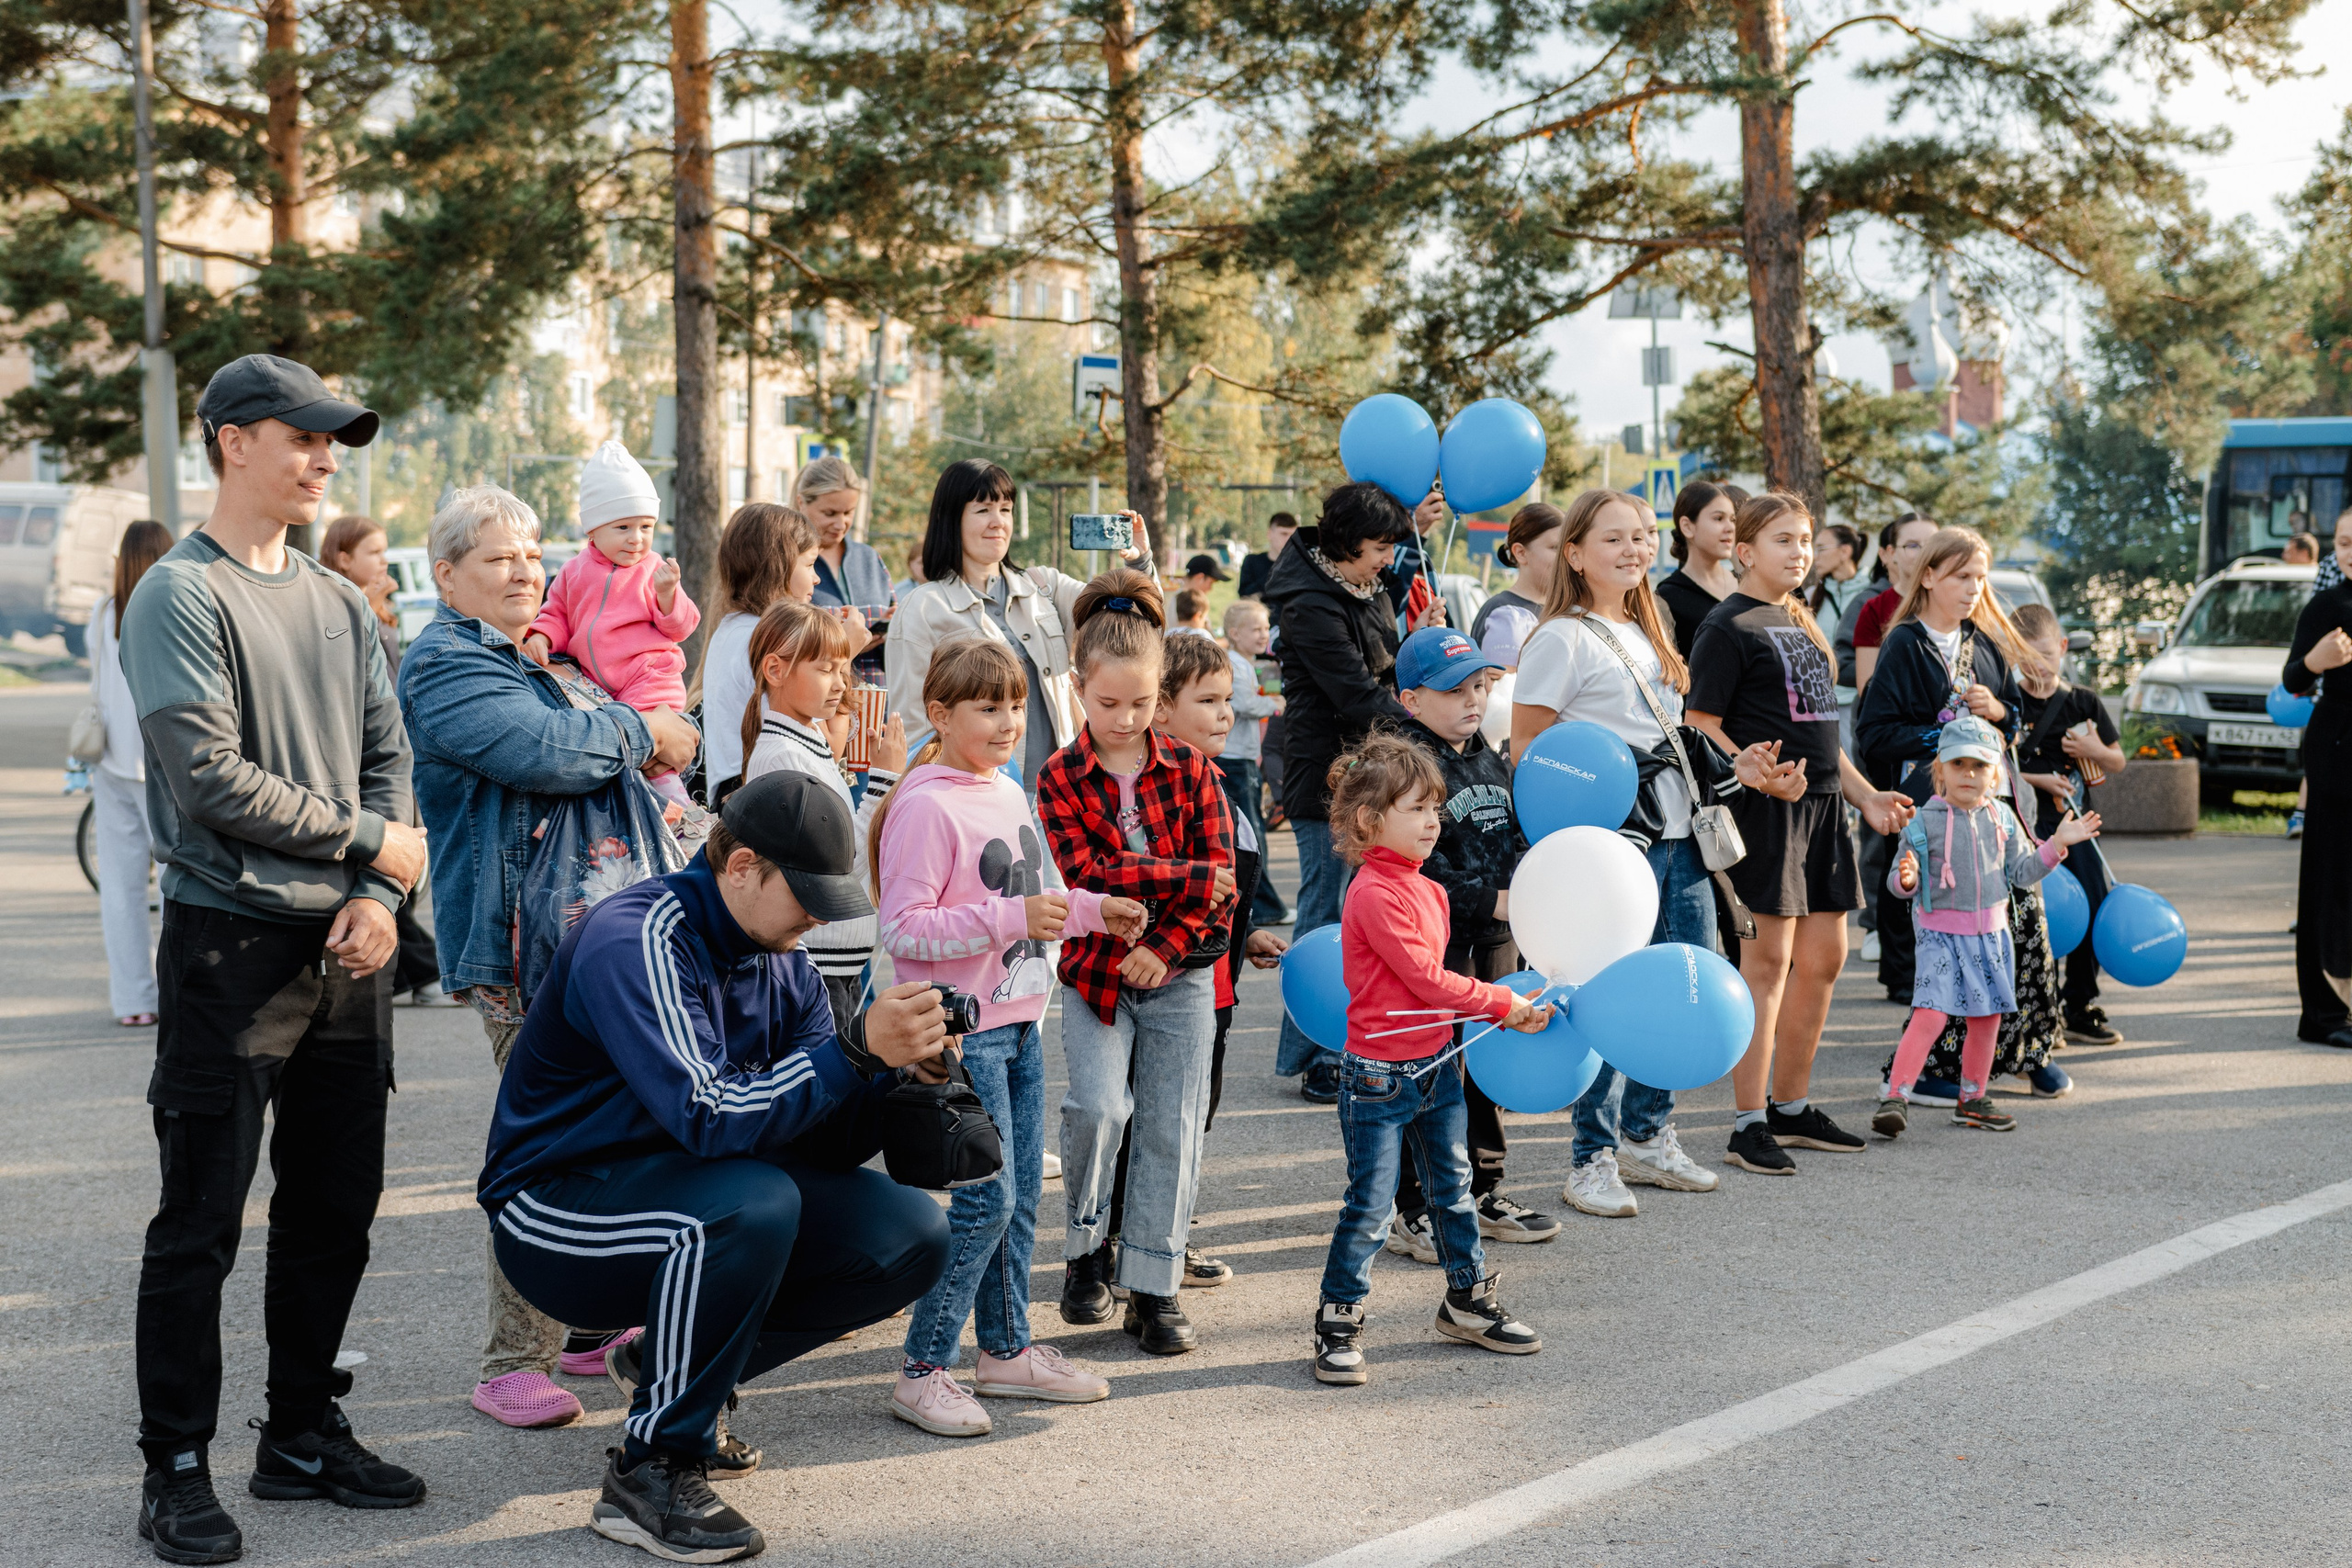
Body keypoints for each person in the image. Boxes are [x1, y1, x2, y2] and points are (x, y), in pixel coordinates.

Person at [482, 773, 958, 1563]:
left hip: (693, 1195)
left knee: (910, 1233)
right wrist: (850, 1051)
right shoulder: (636, 934)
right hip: (556, 1212)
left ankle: (664, 1364)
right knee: (753, 1200)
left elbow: (821, 1143)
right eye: (802, 893)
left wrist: (896, 1079)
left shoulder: (784, 961)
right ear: (740, 865)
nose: (815, 916)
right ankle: (651, 1472)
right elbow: (710, 1116)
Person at [120, 354, 428, 1563]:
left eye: (333, 442)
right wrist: (370, 842)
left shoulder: (339, 602)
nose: (323, 457)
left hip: (349, 945)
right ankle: (176, 1465)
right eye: (302, 436)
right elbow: (208, 781)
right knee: (200, 1215)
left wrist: (378, 890)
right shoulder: (176, 596)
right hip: (228, 946)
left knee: (334, 1205)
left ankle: (299, 1432)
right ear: (230, 441)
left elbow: (388, 760)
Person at [399, 483, 703, 1432]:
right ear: (446, 574)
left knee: (620, 1135)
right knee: (546, 1149)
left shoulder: (544, 660)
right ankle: (510, 1362)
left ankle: (588, 1326)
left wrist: (637, 733)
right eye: (497, 557)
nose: (524, 569)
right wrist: (644, 731)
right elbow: (551, 753)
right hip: (524, 957)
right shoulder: (447, 665)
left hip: (597, 948)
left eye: (533, 553)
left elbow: (622, 745)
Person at [872, 637, 1139, 1436]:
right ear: (941, 714)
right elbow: (904, 926)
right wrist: (1009, 917)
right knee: (983, 1204)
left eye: (1015, 705)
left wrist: (1098, 910)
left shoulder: (1007, 790)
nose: (1005, 720)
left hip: (1021, 1023)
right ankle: (923, 1369)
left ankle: (1006, 1349)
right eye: (987, 707)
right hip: (962, 1036)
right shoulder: (924, 803)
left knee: (1021, 1202)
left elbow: (1045, 893)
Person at [1511, 490, 1753, 1211]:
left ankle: (1651, 1135)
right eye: (1613, 538)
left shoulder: (1652, 627)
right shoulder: (1561, 637)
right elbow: (1529, 752)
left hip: (1680, 835)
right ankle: (1593, 1156)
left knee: (1679, 984)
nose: (1634, 548)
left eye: (1643, 536)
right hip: (1615, 848)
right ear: (1576, 553)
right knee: (1612, 999)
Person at [1308, 734, 1551, 1387]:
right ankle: (1339, 1318)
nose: (1431, 821)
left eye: (1435, 807)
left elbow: (1439, 990)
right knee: (1370, 1205)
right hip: (1378, 1077)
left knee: (1454, 1188)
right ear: (1368, 821)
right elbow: (1425, 979)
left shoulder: (1429, 890)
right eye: (1416, 808)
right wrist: (1502, 1002)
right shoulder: (1373, 893)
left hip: (1437, 1064)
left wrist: (1503, 1006)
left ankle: (1466, 1300)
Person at [1685, 492, 1912, 1177]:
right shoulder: (1728, 626)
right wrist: (1746, 770)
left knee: (1825, 959)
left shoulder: (1804, 619)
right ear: (1745, 551)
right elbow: (1700, 721)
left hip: (1823, 811)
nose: (1800, 551)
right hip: (1768, 811)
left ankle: (1792, 1105)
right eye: (1783, 540)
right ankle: (1747, 1121)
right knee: (1768, 965)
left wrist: (1867, 796)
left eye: (1806, 539)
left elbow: (1824, 733)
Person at [1037, 571, 1235, 1354]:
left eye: (1143, 704)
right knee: (1099, 1107)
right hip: (1093, 975)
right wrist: (1187, 875)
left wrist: (1164, 944)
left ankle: (1154, 1286)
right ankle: (1087, 1247)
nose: (1125, 720)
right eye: (1107, 703)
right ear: (1078, 688)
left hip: (1176, 974)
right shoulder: (1059, 774)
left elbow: (1226, 883)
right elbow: (1088, 871)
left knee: (1172, 1126)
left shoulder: (1191, 771)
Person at [1380, 626, 1562, 1251]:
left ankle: (1483, 1189)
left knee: (1488, 1065)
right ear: (1411, 699)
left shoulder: (1487, 756)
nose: (1473, 699)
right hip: (1438, 945)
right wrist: (1493, 898)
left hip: (1497, 938)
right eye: (1454, 689)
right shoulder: (1402, 768)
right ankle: (1415, 1203)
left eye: (1481, 685)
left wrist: (1526, 891)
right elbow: (1412, 864)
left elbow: (1511, 835)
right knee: (1433, 1072)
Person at [1261, 481, 1442, 1100]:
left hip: (1372, 769)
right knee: (1326, 909)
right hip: (1324, 775)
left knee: (1362, 911)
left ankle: (1354, 1041)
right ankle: (1313, 1052)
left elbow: (1384, 668)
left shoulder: (1363, 585)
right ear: (1344, 543)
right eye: (1378, 547)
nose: (1387, 559)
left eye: (1393, 545)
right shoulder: (1307, 603)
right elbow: (1355, 692)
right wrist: (1425, 724)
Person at [1874, 716, 2101, 1136]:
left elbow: (2020, 873)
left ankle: (1972, 1099)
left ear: (1995, 774)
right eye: (1958, 764)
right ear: (1939, 770)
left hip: (1991, 935)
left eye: (1979, 766)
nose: (1969, 774)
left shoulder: (2003, 818)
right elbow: (1899, 880)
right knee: (1930, 1015)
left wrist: (2057, 845)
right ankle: (1896, 1096)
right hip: (1939, 934)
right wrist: (1906, 878)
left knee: (1987, 1018)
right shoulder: (1924, 821)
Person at [885, 458, 1152, 790]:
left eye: (1006, 509)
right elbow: (912, 727)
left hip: (1065, 795)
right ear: (951, 519)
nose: (998, 522)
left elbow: (1131, 629)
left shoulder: (1045, 586)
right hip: (979, 793)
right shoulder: (923, 608)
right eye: (983, 510)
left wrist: (1139, 562)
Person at [1855, 525, 2030, 1009]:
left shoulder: (1985, 644)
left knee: (1982, 903)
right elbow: (1874, 735)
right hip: (1924, 801)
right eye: (1961, 576)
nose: (1974, 588)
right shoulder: (1904, 644)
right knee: (1919, 892)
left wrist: (1996, 711)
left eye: (1980, 577)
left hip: (1983, 806)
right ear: (1928, 576)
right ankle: (1912, 988)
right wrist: (1947, 736)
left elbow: (2015, 720)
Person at [741, 599, 906, 1027]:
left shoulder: (805, 743)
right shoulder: (782, 756)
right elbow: (837, 859)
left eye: (842, 669)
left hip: (836, 961)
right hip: (816, 963)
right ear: (775, 670)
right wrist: (884, 782)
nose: (840, 683)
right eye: (825, 669)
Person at [524, 440, 702, 807]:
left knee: (647, 747)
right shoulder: (574, 571)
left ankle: (673, 806)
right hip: (598, 683)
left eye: (646, 527)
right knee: (611, 749)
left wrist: (668, 596)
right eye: (623, 527)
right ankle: (631, 807)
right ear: (593, 530)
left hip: (649, 674)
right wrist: (541, 635)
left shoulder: (653, 570)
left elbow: (681, 627)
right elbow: (556, 612)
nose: (637, 539)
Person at [320, 513, 452, 1009]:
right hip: (365, 769)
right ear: (343, 557)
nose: (384, 562)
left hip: (399, 760)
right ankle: (422, 970)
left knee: (403, 869)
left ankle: (410, 970)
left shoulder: (377, 609)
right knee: (387, 870)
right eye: (373, 552)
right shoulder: (342, 612)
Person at [2010, 604, 2128, 1049]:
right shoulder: (2008, 701)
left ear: (2062, 647)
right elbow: (1993, 766)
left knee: (2094, 906)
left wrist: (2095, 747)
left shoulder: (2084, 702)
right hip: (2027, 824)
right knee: (2039, 917)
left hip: (2079, 825)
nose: (2037, 666)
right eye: (2025, 656)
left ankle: (2079, 1005)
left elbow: (2116, 761)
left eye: (2045, 654)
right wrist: (2035, 777)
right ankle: (2039, 1013)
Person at [89, 519, 173, 1028]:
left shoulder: (102, 612)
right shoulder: (166, 607)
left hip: (111, 764)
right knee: (173, 887)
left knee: (119, 890)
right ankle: (174, 995)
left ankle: (133, 1002)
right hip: (162, 763)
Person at [2283, 510, 2352, 1047]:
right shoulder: (2327, 605)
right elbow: (2292, 679)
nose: (2349, 551)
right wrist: (2316, 658)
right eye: (2343, 543)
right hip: (2335, 754)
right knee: (2324, 884)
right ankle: (2321, 1016)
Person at [696, 502, 818, 803]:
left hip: (738, 790)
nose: (816, 579)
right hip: (765, 793)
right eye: (810, 564)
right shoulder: (763, 637)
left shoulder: (732, 628)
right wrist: (842, 654)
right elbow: (815, 737)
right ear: (780, 565)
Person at [1220, 597, 1289, 924]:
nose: (1264, 635)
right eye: (1255, 629)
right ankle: (1263, 908)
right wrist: (1275, 703)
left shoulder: (1249, 663)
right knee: (1251, 836)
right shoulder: (1234, 664)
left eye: (1265, 628)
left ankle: (1261, 906)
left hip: (1243, 757)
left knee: (1251, 832)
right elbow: (1245, 704)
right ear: (1234, 632)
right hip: (1235, 760)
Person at [1471, 502, 1565, 669]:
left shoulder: (1566, 607)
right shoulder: (1503, 612)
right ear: (1520, 553)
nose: (1565, 557)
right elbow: (1502, 690)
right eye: (1555, 548)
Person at [1655, 480, 1741, 660]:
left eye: (1732, 519)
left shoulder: (1747, 584)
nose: (1730, 528)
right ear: (1687, 526)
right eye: (1718, 518)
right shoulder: (1667, 597)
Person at [1809, 523, 1869, 625]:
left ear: (1845, 551)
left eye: (1821, 549)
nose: (1815, 557)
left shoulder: (1871, 594)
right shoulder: (1811, 595)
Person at [1238, 512, 1296, 611]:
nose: (1288, 539)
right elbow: (1245, 596)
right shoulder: (1252, 562)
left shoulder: (1299, 564)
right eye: (1284, 534)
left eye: (1292, 535)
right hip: (1259, 620)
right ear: (1269, 534)